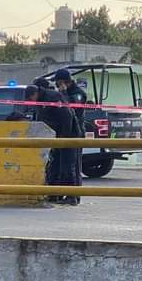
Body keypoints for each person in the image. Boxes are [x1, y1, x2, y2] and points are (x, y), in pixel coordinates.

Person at [24, 84, 79, 205]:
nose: (30, 102)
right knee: (54, 167)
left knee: (66, 167)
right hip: (54, 137)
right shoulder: (42, 100)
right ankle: (54, 194)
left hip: (66, 137)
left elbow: (67, 116)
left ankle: (71, 196)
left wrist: (64, 137)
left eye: (30, 99)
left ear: (34, 94)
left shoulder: (52, 97)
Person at [54, 69, 86, 203]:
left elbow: (73, 108)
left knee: (72, 165)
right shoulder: (63, 93)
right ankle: (61, 193)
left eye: (58, 83)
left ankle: (73, 196)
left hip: (74, 133)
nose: (57, 86)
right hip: (63, 133)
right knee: (61, 166)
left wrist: (64, 93)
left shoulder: (78, 93)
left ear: (64, 82)